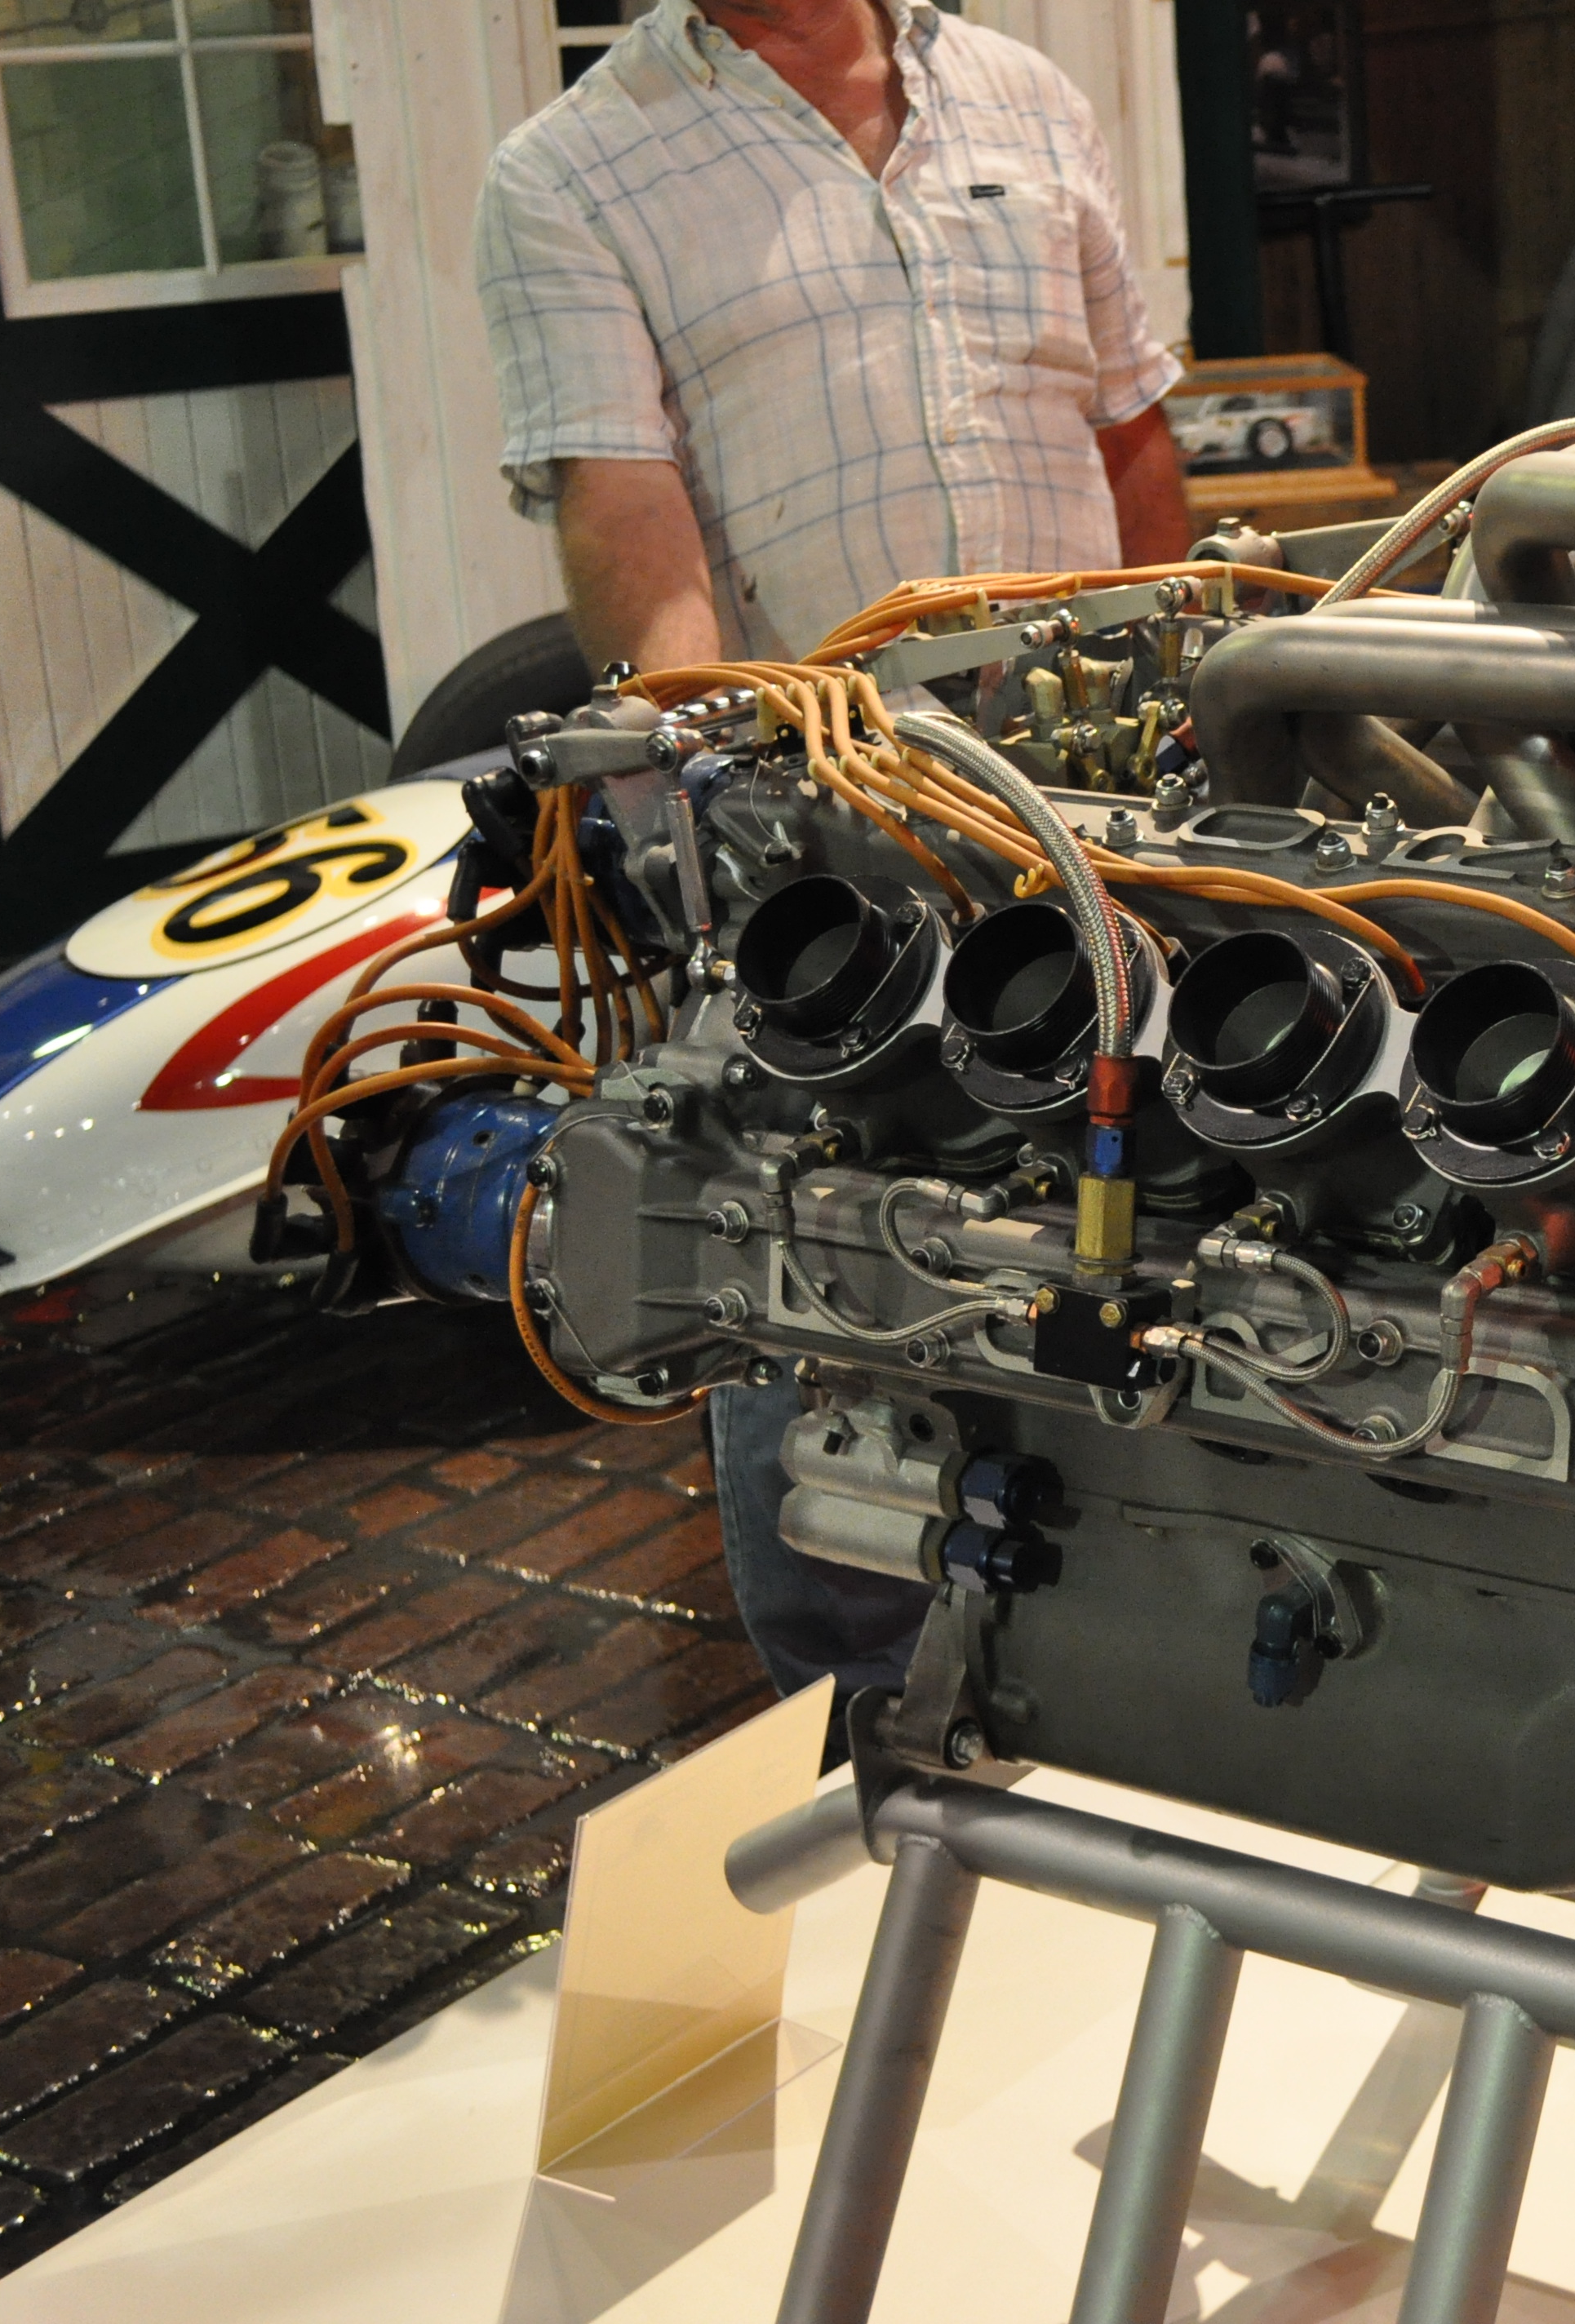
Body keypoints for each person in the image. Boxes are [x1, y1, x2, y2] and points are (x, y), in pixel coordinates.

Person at [473, 0, 1194, 1718]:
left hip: (1098, 802)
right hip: (834, 832)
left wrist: (1190, 711)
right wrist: (725, 813)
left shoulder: (1021, 96)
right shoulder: (575, 167)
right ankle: (868, 1703)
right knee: (821, 1248)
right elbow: (628, 515)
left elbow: (1126, 436)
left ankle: (1152, 1651)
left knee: (1147, 1207)